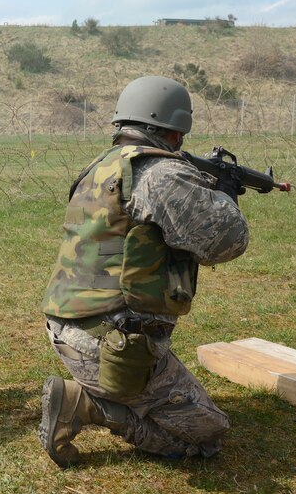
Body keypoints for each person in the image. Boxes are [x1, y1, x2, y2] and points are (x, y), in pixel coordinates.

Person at [38, 75, 250, 467]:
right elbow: (226, 243)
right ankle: (87, 405)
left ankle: (105, 393)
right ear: (174, 132)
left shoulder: (102, 165)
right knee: (206, 434)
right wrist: (224, 197)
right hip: (112, 342)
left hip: (70, 325)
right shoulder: (162, 175)